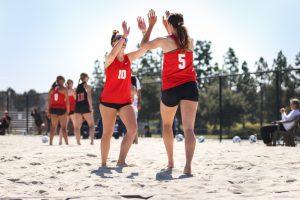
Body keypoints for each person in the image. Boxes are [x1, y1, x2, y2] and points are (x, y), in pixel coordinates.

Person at [139, 10, 199, 174]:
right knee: (189, 129)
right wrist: (169, 27)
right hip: (189, 86)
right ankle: (188, 167)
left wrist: (150, 26)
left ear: (171, 25)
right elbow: (177, 40)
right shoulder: (190, 41)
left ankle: (171, 162)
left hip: (171, 88)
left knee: (166, 125)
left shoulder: (164, 41)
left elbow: (143, 46)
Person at [99, 21, 146, 167]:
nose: (124, 42)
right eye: (119, 40)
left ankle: (121, 161)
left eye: (125, 40)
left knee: (132, 130)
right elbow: (113, 53)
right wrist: (124, 35)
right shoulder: (109, 59)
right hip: (108, 102)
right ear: (113, 43)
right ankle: (104, 163)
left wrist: (144, 32)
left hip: (125, 101)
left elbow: (143, 50)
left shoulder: (128, 58)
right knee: (107, 133)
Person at [47, 76, 70, 145]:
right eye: (63, 81)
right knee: (64, 128)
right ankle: (66, 143)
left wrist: (48, 111)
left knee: (53, 127)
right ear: (61, 81)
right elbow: (67, 101)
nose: (64, 82)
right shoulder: (64, 89)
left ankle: (50, 142)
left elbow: (49, 101)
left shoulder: (51, 89)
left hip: (53, 110)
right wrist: (68, 110)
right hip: (62, 109)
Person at [74, 73, 95, 145]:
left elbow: (75, 98)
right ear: (85, 78)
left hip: (77, 107)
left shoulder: (77, 87)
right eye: (88, 77)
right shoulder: (88, 86)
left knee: (77, 127)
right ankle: (92, 142)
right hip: (85, 106)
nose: (88, 78)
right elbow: (89, 97)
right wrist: (91, 107)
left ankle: (78, 142)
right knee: (91, 125)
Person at [59, 79, 76, 145]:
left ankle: (77, 140)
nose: (72, 85)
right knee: (63, 126)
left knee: (75, 126)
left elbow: (75, 99)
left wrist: (74, 92)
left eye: (72, 84)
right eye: (71, 84)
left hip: (72, 109)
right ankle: (60, 141)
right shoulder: (65, 91)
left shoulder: (72, 91)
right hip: (66, 110)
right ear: (68, 84)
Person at [131, 76, 139, 144]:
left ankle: (135, 140)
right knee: (134, 125)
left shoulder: (132, 88)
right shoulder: (135, 88)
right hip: (135, 108)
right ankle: (135, 140)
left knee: (133, 126)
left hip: (132, 108)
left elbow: (132, 99)